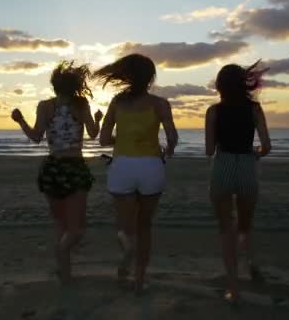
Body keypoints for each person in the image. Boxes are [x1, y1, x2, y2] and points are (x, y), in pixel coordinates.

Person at [11, 61, 103, 285]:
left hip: (52, 168)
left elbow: (35, 137)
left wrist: (20, 120)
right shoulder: (81, 105)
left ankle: (64, 273)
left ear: (54, 86)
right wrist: (98, 120)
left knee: (62, 224)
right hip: (74, 167)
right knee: (77, 228)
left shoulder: (45, 106)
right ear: (75, 86)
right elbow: (92, 134)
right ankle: (63, 263)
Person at [94, 54, 178, 294]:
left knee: (124, 227)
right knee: (145, 226)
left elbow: (102, 140)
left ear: (127, 76)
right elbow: (172, 137)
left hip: (123, 167)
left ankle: (127, 251)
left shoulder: (117, 102)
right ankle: (140, 281)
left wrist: (123, 138)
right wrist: (168, 150)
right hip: (151, 166)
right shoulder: (160, 103)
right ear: (150, 77)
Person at [205, 61, 271, 302]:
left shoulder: (213, 111)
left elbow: (208, 150)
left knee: (225, 228)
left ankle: (233, 287)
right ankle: (252, 262)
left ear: (220, 86)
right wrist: (255, 153)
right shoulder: (255, 109)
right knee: (245, 224)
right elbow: (267, 146)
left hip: (222, 166)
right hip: (246, 166)